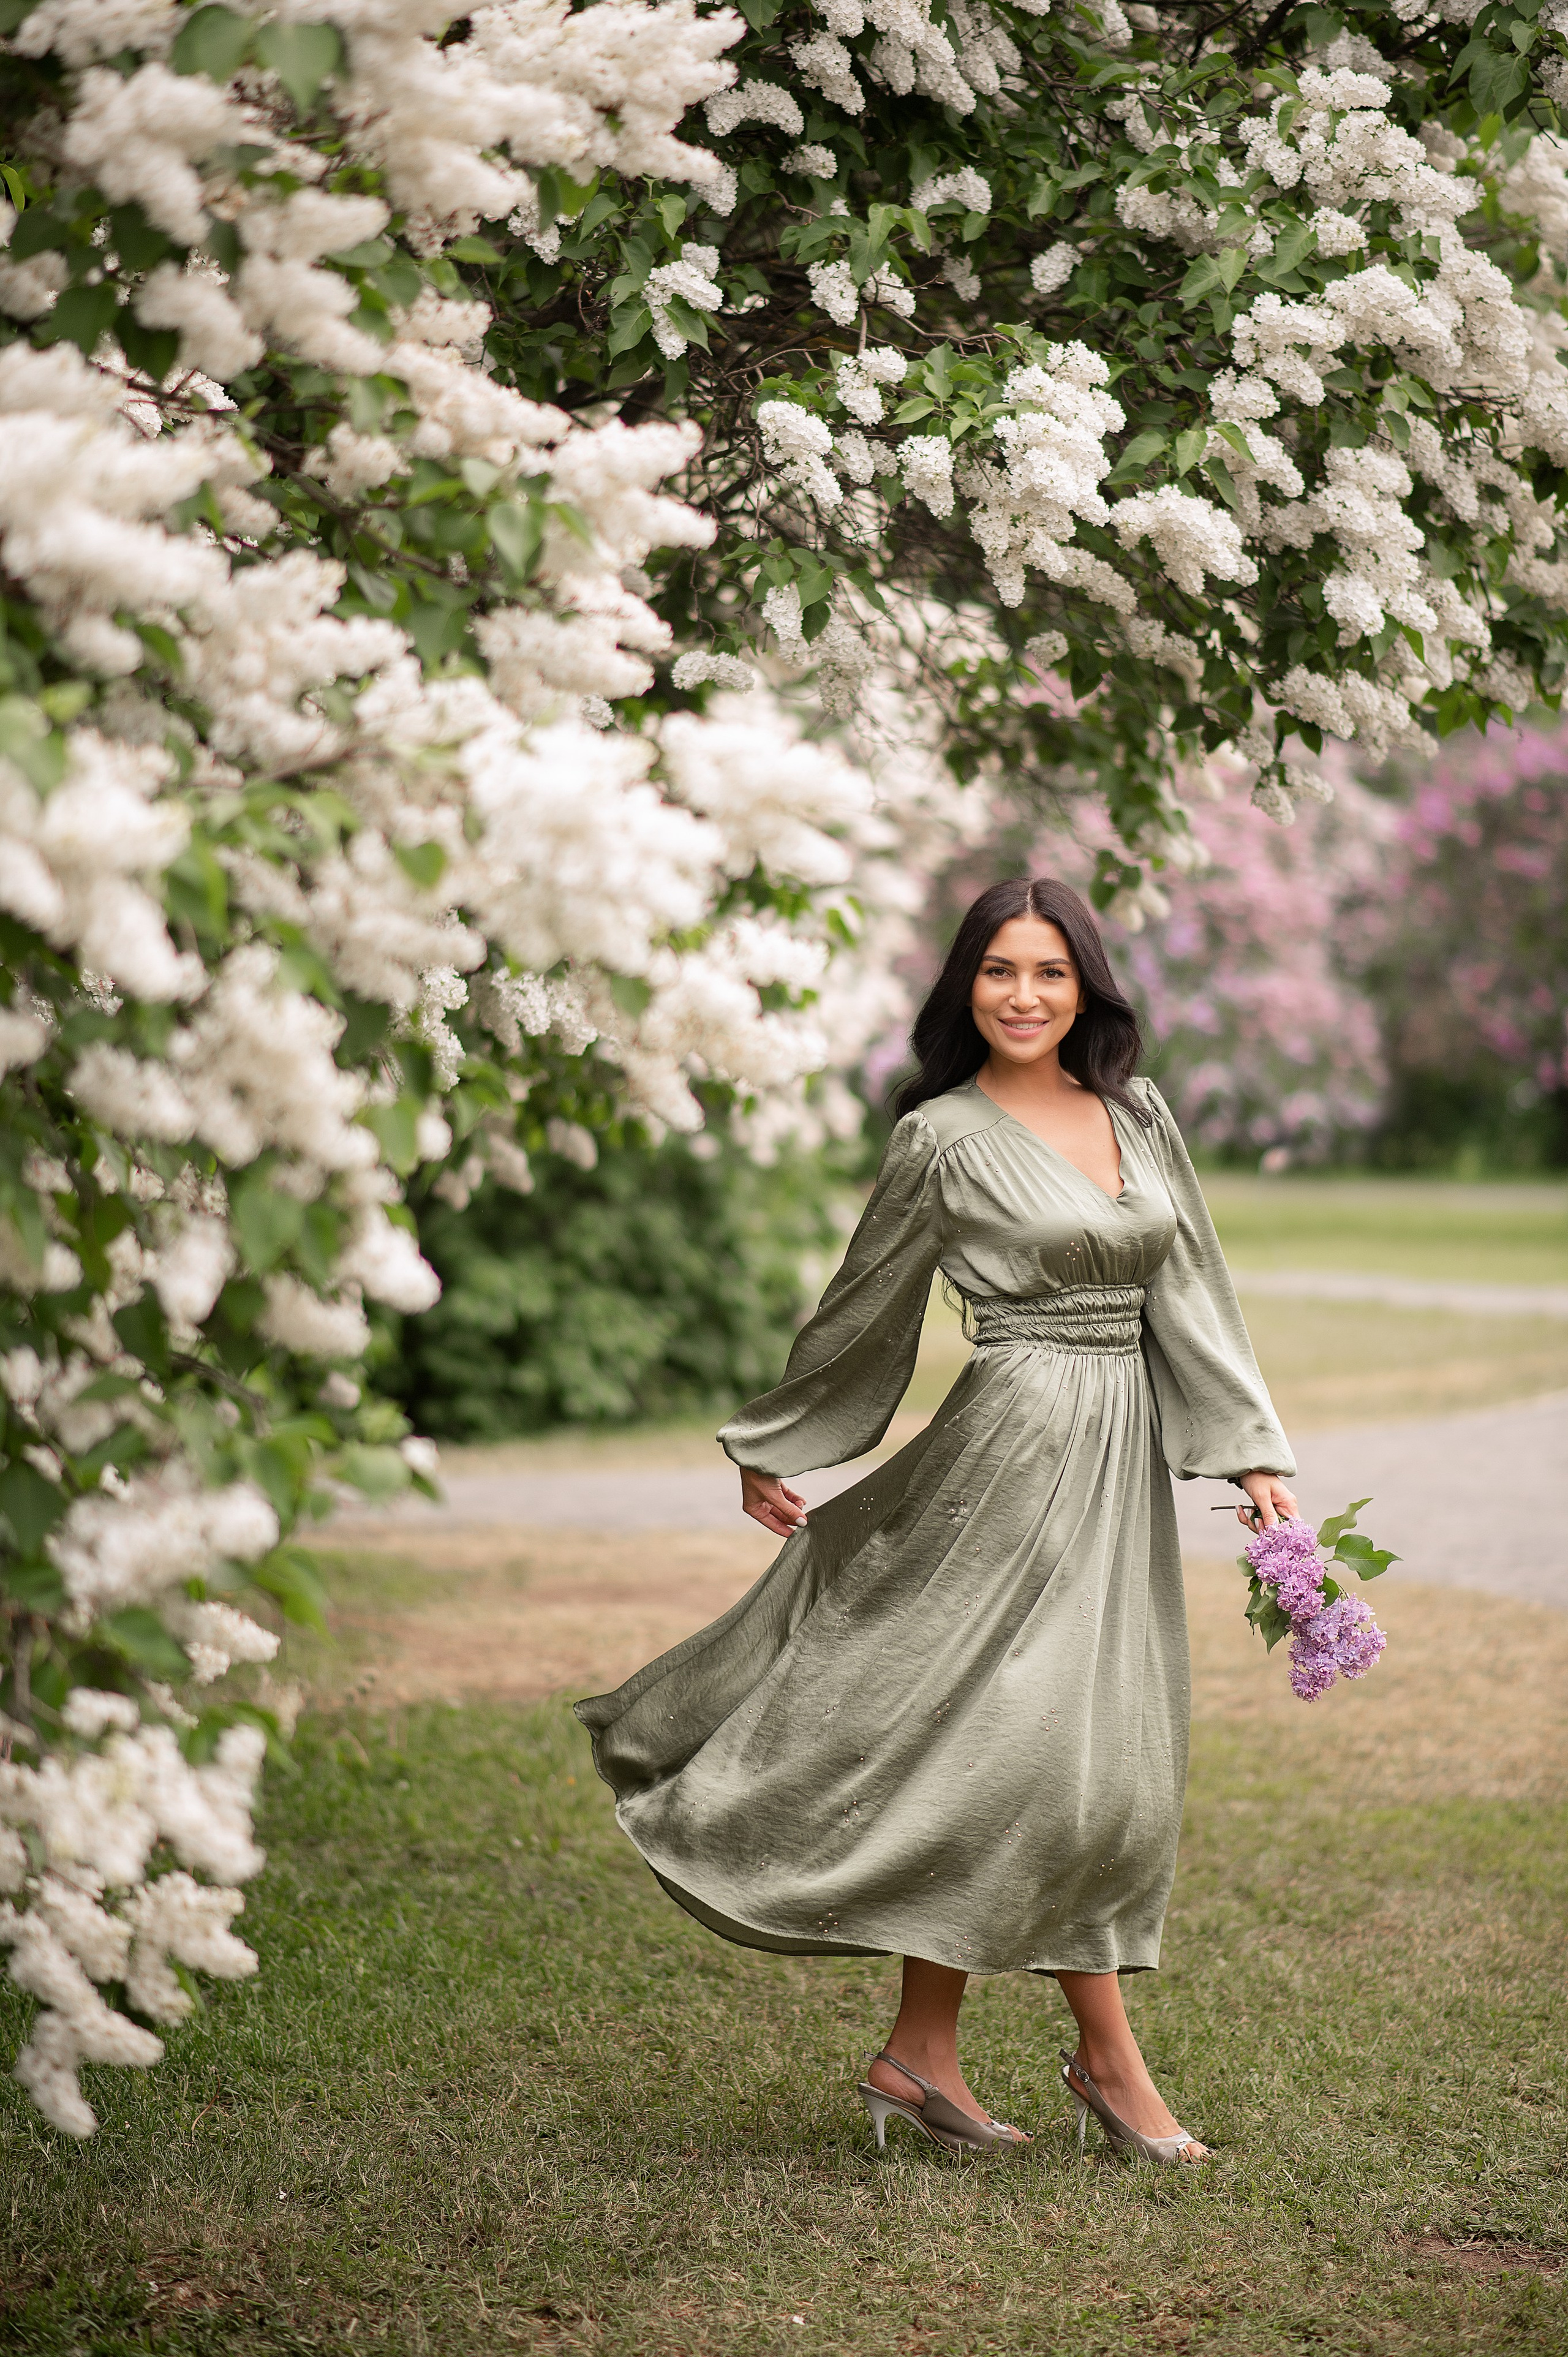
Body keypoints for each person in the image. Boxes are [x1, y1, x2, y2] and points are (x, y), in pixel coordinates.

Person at [578, 878, 1297, 2165]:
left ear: (1088, 988)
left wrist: (1252, 1457)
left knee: (1082, 1762)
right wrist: (775, 1442)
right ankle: (1111, 2066)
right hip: (1004, 1457)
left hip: (1118, 1459)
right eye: (997, 973)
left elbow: (1187, 1283)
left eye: (1049, 974)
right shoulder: (941, 1135)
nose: (1022, 997)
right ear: (963, 987)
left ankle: (922, 2054)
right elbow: (866, 1305)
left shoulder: (1137, 1114)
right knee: (1032, 1756)